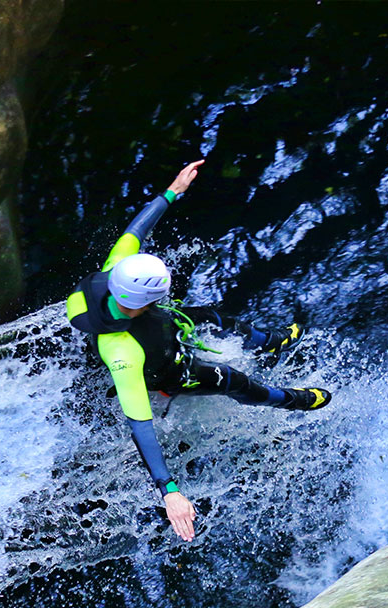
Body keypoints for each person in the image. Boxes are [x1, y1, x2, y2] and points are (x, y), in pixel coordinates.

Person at [66, 160, 331, 542]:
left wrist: (172, 190)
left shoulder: (114, 271)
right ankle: (290, 399)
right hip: (166, 369)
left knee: (212, 316)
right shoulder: (123, 353)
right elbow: (140, 425)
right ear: (142, 300)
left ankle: (270, 340)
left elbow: (135, 230)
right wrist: (169, 491)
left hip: (156, 327)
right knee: (235, 380)